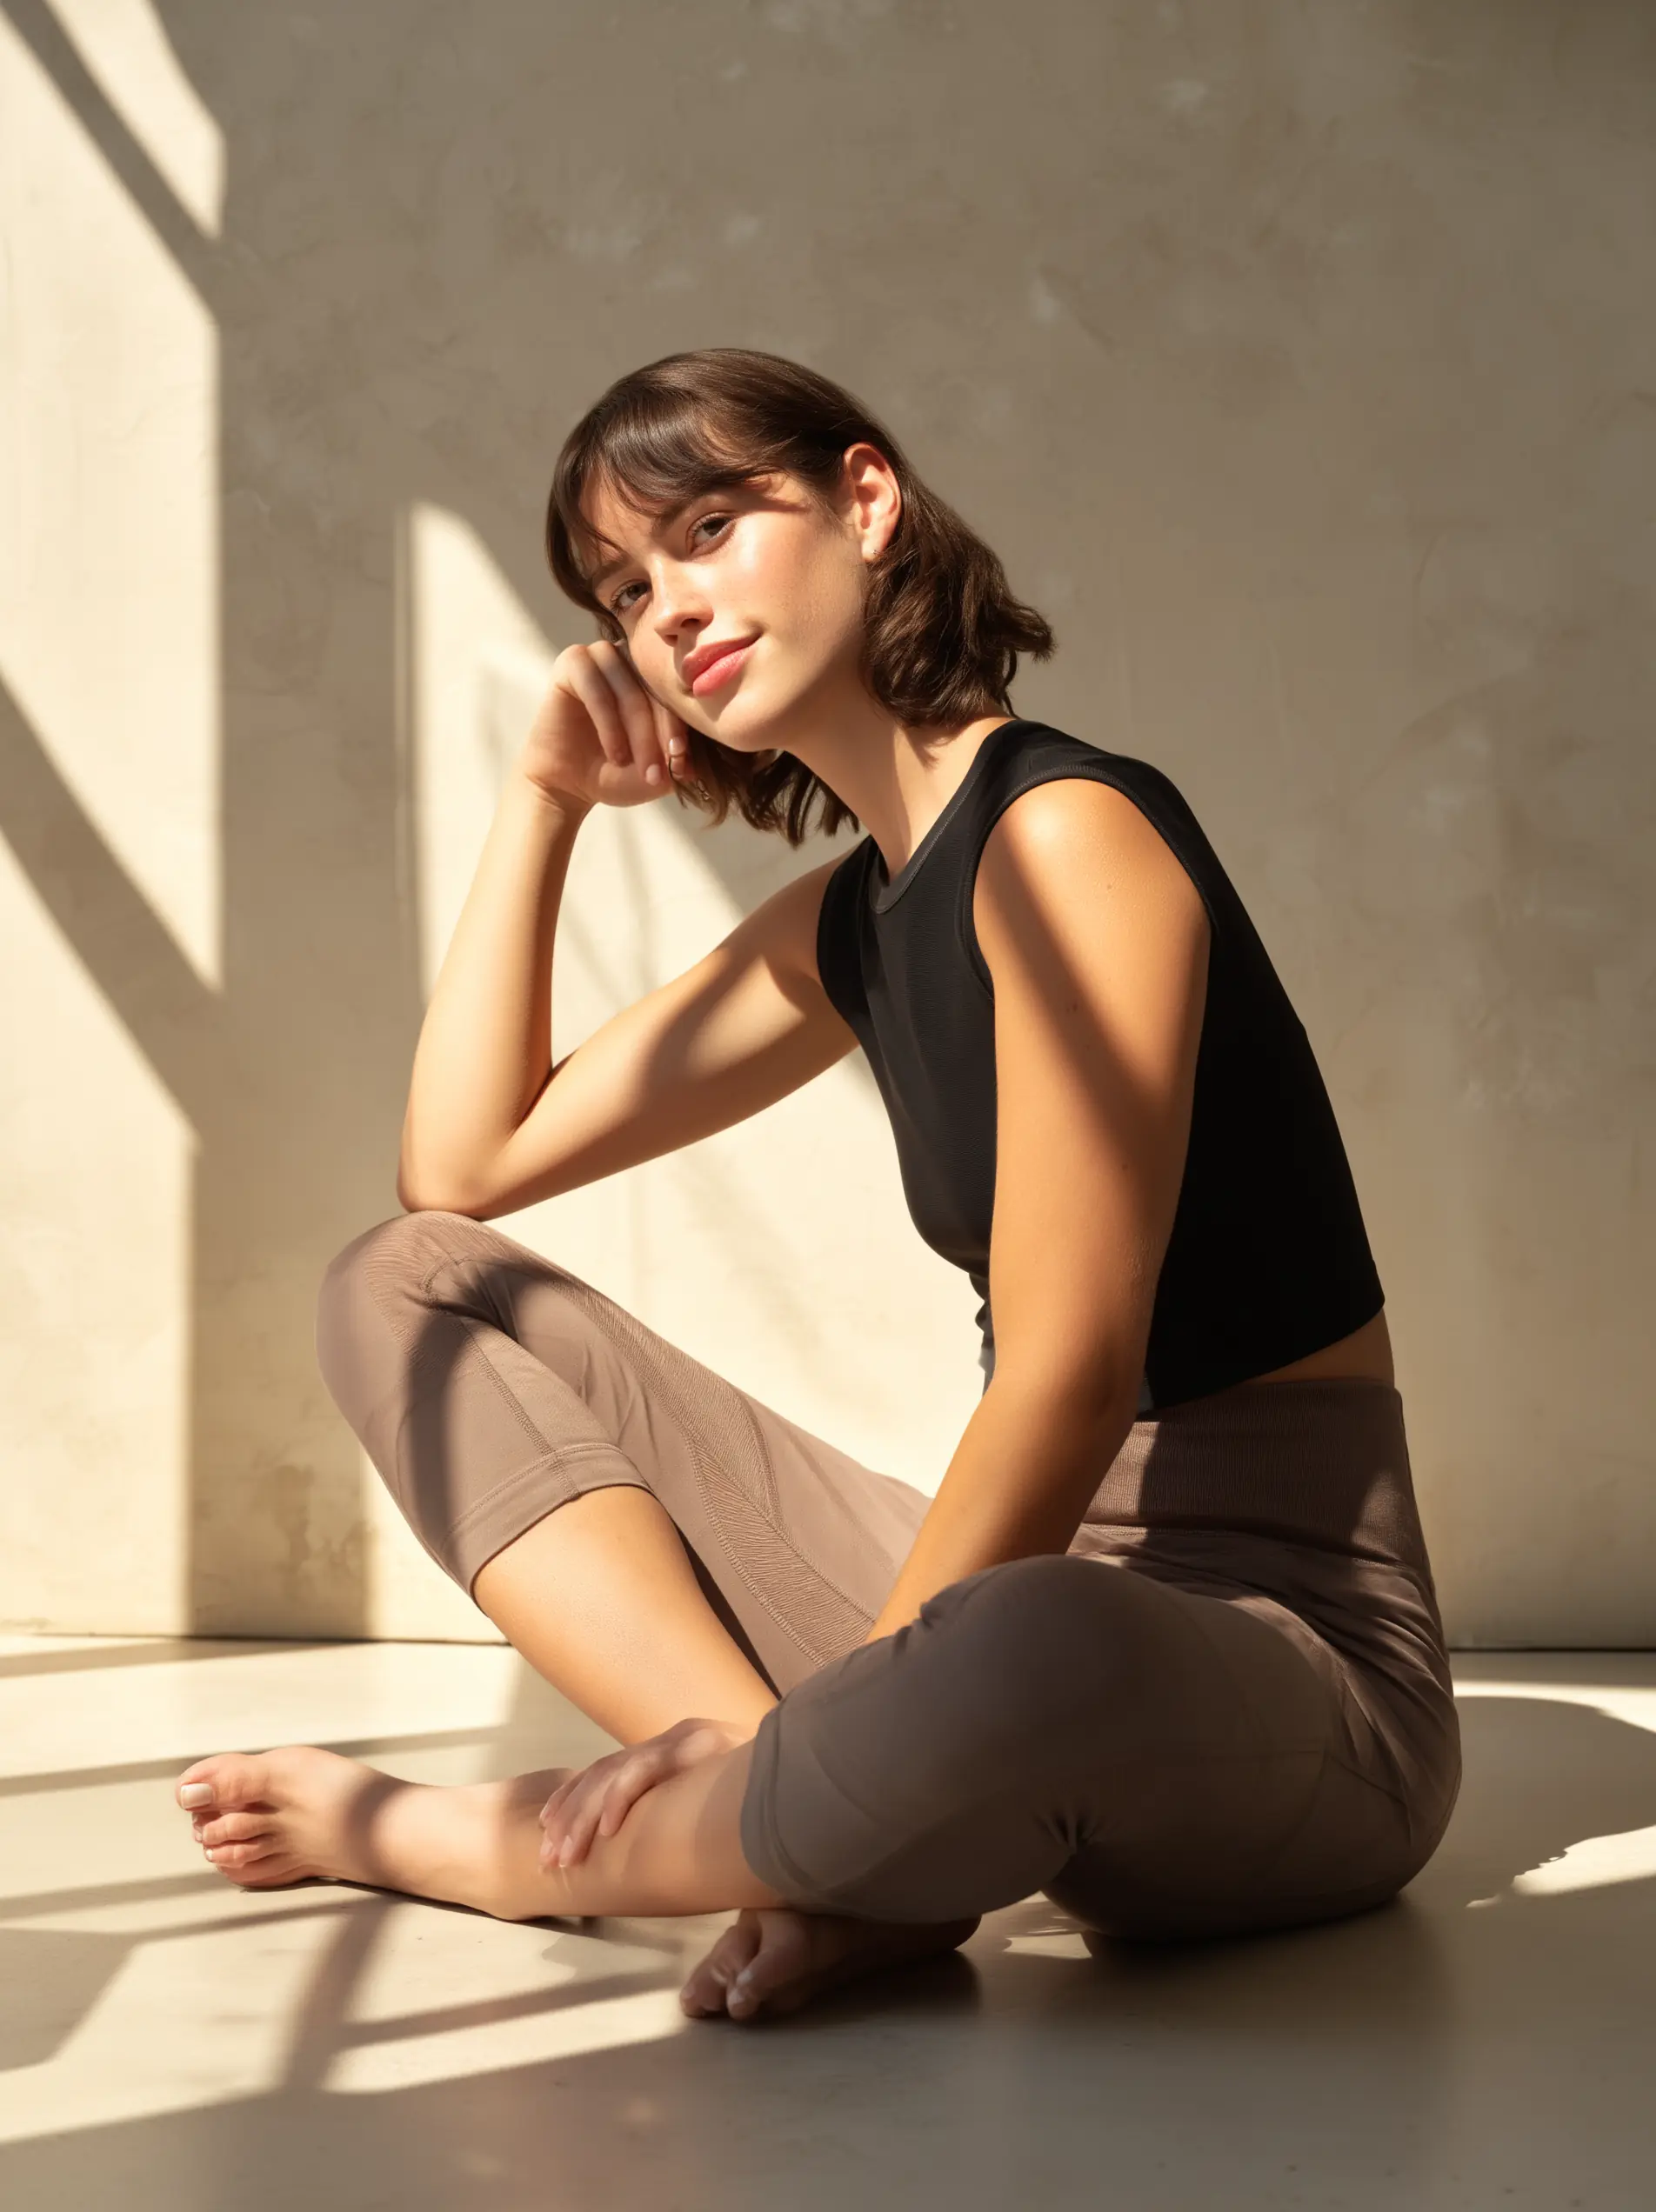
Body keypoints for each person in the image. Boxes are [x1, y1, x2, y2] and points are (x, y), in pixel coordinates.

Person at [174, 348, 1462, 2025]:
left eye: (712, 527)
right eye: (629, 590)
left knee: (1027, 1643)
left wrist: (877, 1707)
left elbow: (1070, 1375)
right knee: (404, 1282)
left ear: (868, 501)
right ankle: (815, 1820)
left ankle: (480, 1841)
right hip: (1005, 1598)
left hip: (1283, 1673)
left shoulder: (1072, 836)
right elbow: (466, 1163)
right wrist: (544, 801)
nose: (671, 610)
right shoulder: (849, 925)